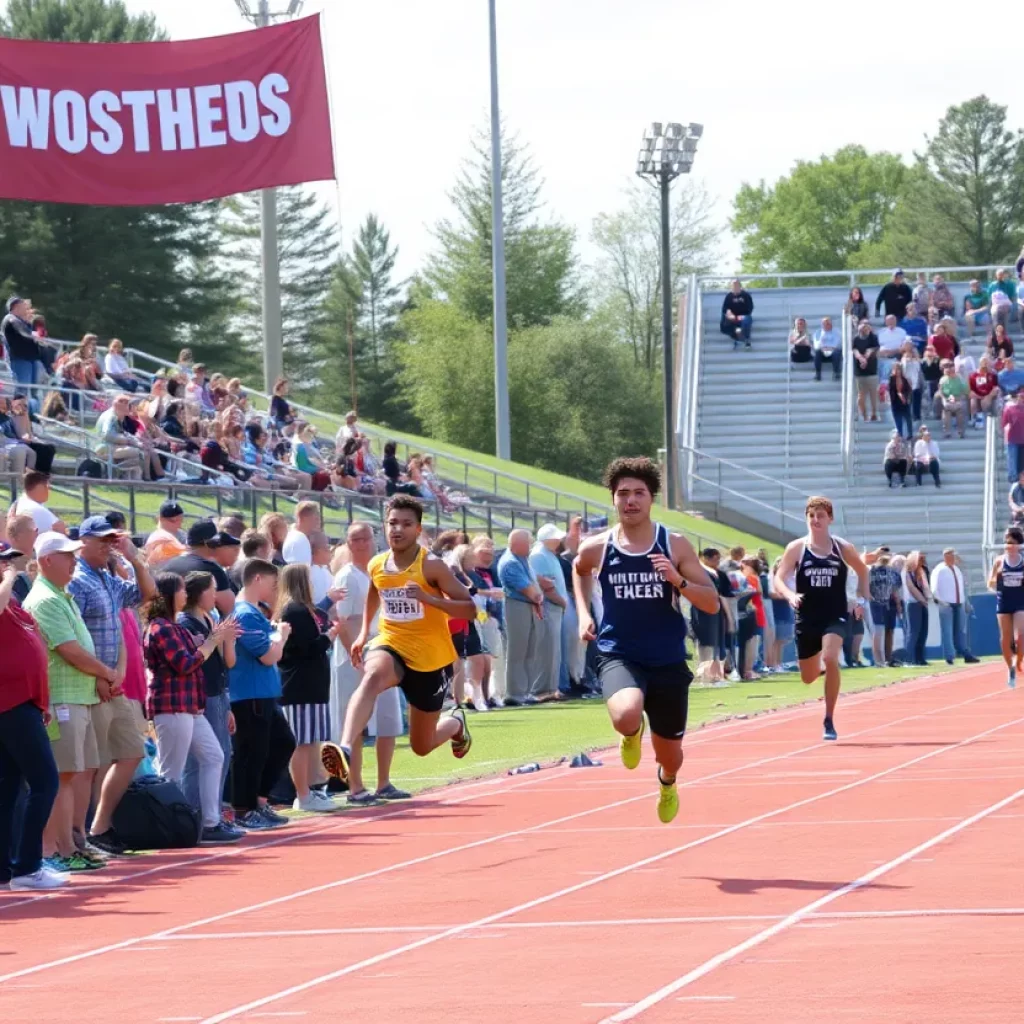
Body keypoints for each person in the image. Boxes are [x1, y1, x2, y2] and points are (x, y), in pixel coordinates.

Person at [573, 457, 720, 824]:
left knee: (670, 756)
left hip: (668, 659)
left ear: (651, 499)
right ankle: (631, 729)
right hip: (618, 652)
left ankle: (667, 782)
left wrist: (677, 580)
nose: (631, 501)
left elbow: (712, 602)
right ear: (613, 499)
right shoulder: (599, 547)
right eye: (623, 494)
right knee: (626, 714)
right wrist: (584, 614)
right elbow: (579, 570)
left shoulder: (674, 544)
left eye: (639, 493)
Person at [319, 496, 476, 788]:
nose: (397, 529)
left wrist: (428, 598)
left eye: (406, 524)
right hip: (392, 642)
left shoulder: (431, 565)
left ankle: (455, 724)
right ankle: (345, 748)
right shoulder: (378, 564)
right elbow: (374, 592)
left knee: (421, 745)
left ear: (418, 529)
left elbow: (468, 607)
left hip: (431, 659)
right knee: (371, 677)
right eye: (393, 523)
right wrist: (365, 633)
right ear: (384, 526)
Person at [24, 532, 118, 872]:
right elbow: (69, 650)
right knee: (61, 777)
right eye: (67, 556)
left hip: (77, 696)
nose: (74, 561)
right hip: (62, 698)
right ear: (47, 560)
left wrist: (100, 676)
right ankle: (56, 851)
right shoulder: (46, 600)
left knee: (73, 774)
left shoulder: (60, 595)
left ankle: (70, 844)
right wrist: (106, 672)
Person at [67, 515, 156, 854]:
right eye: (101, 540)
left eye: (111, 539)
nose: (108, 545)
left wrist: (133, 558)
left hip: (111, 681)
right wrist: (100, 676)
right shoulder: (77, 580)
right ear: (83, 542)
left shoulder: (106, 578)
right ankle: (83, 834)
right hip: (91, 683)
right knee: (92, 763)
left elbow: (148, 594)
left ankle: (98, 827)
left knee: (132, 752)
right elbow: (72, 638)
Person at [142, 572, 241, 845]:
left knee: (214, 755)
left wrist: (207, 643)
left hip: (188, 707)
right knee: (170, 772)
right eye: (181, 590)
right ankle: (165, 827)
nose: (185, 595)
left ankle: (210, 823)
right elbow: (185, 664)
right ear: (168, 595)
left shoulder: (175, 627)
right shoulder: (159, 628)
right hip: (172, 707)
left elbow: (192, 657)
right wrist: (210, 643)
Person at [771, 496, 870, 742]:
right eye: (811, 516)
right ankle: (824, 667)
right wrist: (790, 595)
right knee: (808, 677)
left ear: (830, 519)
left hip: (835, 613)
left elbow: (863, 570)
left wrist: (861, 600)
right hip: (807, 616)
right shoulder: (796, 548)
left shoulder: (841, 547)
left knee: (830, 656)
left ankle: (829, 718)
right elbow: (779, 578)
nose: (816, 520)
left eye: (821, 516)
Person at [331, 522, 411, 804]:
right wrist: (357, 655)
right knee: (355, 720)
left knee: (388, 718)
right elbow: (341, 622)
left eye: (366, 537)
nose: (362, 543)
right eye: (356, 539)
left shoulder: (383, 570)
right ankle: (355, 786)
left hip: (384, 649)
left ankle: (384, 782)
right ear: (348, 544)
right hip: (358, 653)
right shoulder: (347, 577)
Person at [0, 552, 63, 890]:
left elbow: (32, 650)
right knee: (45, 782)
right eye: (2, 561)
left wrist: (43, 698)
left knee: (9, 788)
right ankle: (28, 866)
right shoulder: (5, 596)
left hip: (25, 703)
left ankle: (7, 868)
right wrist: (8, 579)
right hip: (9, 705)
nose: (10, 565)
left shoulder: (16, 607)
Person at [228, 558, 296, 831]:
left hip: (262, 693)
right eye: (271, 582)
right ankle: (244, 809)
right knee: (251, 753)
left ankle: (258, 801)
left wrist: (276, 638)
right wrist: (280, 636)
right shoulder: (244, 613)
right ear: (257, 579)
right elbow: (269, 656)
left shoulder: (253, 611)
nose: (274, 588)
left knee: (280, 743)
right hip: (249, 694)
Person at [275, 563, 339, 813]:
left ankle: (311, 790)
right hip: (300, 686)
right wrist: (328, 637)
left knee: (311, 741)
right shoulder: (294, 610)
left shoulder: (300, 610)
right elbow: (305, 648)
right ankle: (302, 794)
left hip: (311, 686)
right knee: (302, 742)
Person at [177, 571, 238, 832]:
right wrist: (217, 638)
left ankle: (211, 814)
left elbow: (227, 663)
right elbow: (195, 660)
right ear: (198, 593)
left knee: (221, 754)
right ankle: (197, 816)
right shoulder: (187, 623)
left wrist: (228, 640)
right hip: (202, 696)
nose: (216, 595)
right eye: (211, 589)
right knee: (201, 760)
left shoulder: (210, 618)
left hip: (218, 693)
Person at [930, 548, 980, 667]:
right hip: (946, 604)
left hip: (959, 603)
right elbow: (934, 588)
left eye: (954, 556)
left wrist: (965, 602)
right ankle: (950, 656)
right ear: (945, 556)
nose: (953, 558)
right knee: (947, 631)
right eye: (951, 556)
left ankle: (965, 653)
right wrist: (941, 601)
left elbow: (962, 588)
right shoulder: (939, 569)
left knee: (961, 631)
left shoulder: (957, 569)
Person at [990, 528, 1024, 688]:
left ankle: (1019, 660)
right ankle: (1010, 667)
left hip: (1020, 602)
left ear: (1018, 544)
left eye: (1011, 543)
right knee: (1005, 638)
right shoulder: (999, 561)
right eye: (1006, 542)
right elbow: (990, 584)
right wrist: (997, 577)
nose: (1008, 546)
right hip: (1004, 602)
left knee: (1020, 636)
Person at [720, 279, 754, 348]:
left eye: (736, 286)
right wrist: (728, 312)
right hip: (732, 317)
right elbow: (724, 308)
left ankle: (746, 339)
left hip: (743, 316)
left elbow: (750, 308)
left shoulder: (745, 295)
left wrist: (740, 315)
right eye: (733, 286)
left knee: (745, 321)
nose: (735, 287)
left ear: (740, 286)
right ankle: (737, 338)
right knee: (727, 324)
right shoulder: (729, 296)